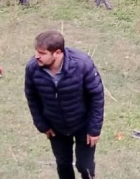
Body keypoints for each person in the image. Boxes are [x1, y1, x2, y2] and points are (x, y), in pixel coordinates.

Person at [24, 30, 105, 179]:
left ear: (57, 53)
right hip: (55, 126)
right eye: (36, 52)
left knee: (84, 165)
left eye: (42, 53)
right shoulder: (32, 68)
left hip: (83, 124)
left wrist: (94, 129)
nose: (37, 56)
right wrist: (42, 124)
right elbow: (32, 97)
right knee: (63, 164)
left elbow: (97, 96)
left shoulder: (82, 64)